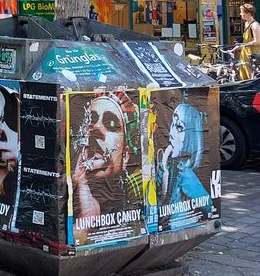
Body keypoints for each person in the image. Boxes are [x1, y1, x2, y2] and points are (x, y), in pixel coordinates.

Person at [71, 92, 143, 243]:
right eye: (91, 120)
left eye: (111, 124)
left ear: (125, 156)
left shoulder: (137, 208)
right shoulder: (68, 191)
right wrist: (86, 219)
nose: (96, 128)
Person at [157, 99, 214, 226]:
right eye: (173, 125)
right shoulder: (169, 166)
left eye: (179, 128)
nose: (171, 133)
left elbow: (207, 204)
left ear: (190, 136)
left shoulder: (183, 172)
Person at [237, 4, 260, 81]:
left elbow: (257, 41)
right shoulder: (246, 24)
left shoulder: (255, 25)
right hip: (244, 55)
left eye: (242, 12)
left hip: (252, 56)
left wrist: (243, 45)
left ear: (248, 13)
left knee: (251, 79)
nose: (240, 14)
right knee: (243, 79)